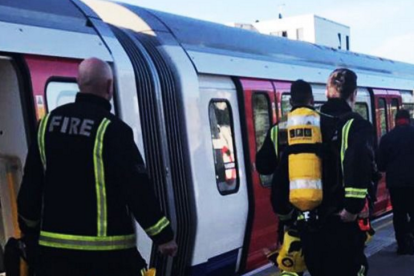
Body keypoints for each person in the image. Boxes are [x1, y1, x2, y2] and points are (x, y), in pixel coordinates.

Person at [17, 58, 178, 276]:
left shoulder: (47, 124)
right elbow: (137, 188)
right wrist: (162, 236)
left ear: (79, 83)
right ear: (109, 86)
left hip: (53, 258)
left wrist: (29, 229)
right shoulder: (112, 129)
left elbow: (31, 184)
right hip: (107, 257)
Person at [273, 68, 374, 276]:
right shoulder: (356, 125)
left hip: (310, 228)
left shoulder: (304, 126)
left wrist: (286, 215)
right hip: (341, 225)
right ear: (353, 94)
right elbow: (358, 162)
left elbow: (281, 174)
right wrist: (352, 209)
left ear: (327, 93)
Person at [257, 80, 314, 276]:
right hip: (321, 211)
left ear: (290, 101)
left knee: (291, 265)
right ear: (312, 100)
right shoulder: (323, 123)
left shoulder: (279, 129)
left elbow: (264, 166)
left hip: (289, 211)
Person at [377, 109, 414, 254]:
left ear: (395, 120)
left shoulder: (387, 138)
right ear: (408, 119)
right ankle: (411, 235)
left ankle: (402, 245)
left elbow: (381, 165)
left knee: (399, 214)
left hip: (395, 184)